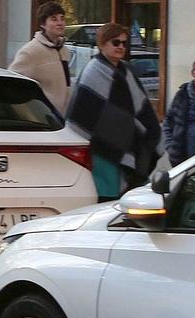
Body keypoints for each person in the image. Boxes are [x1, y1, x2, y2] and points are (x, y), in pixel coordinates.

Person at [65, 23, 160, 200]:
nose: (121, 47)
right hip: (101, 147)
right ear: (102, 44)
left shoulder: (126, 70)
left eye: (124, 43)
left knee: (127, 197)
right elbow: (82, 115)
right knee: (107, 197)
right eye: (116, 43)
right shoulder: (93, 71)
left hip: (125, 141)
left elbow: (138, 108)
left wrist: (143, 131)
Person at [9, 0, 72, 114]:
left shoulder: (65, 51)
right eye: (54, 19)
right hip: (43, 119)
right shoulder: (30, 52)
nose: (60, 23)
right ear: (43, 24)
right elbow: (12, 84)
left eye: (62, 18)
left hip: (64, 118)